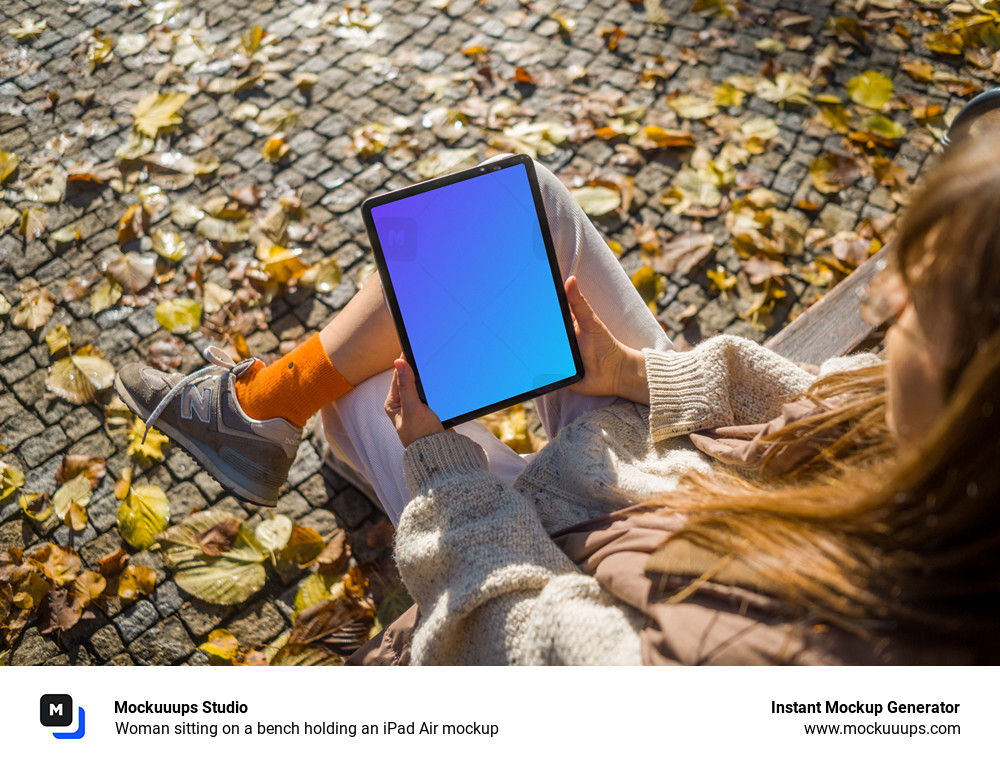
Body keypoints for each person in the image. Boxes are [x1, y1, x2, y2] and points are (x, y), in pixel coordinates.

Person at [115, 137, 1000, 665]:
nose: (882, 310)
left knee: (364, 392)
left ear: (974, 405)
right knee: (513, 209)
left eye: (913, 311)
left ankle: (276, 414)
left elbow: (512, 638)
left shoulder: (765, 666)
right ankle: (271, 406)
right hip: (659, 460)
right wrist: (630, 375)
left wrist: (441, 466)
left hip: (553, 547)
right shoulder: (945, 469)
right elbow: (802, 400)